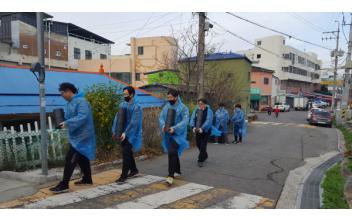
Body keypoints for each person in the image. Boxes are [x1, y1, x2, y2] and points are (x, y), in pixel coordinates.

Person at [50, 83, 96, 194]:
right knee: (82, 158)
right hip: (76, 136)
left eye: (62, 93)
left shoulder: (82, 102)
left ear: (69, 91)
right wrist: (61, 121)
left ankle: (64, 184)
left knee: (70, 158)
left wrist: (67, 122)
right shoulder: (70, 103)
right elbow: (69, 118)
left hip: (83, 136)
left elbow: (83, 117)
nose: (62, 96)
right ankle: (87, 179)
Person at [112, 86, 143, 184]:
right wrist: (115, 131)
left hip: (133, 134)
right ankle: (134, 170)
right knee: (128, 152)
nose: (124, 96)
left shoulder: (137, 107)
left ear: (132, 94)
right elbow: (117, 118)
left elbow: (134, 122)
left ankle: (123, 176)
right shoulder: (122, 104)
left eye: (126, 94)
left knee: (126, 152)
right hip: (122, 133)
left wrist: (126, 133)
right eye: (123, 94)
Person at [159, 89, 189, 185]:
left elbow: (185, 121)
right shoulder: (166, 106)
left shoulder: (183, 108)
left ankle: (170, 176)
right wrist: (163, 126)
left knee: (171, 151)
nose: (169, 99)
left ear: (176, 97)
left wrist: (175, 128)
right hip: (168, 134)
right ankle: (177, 170)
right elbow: (161, 118)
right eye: (168, 97)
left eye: (171, 97)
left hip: (179, 134)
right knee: (173, 152)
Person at [190, 98, 214, 167]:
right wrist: (193, 127)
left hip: (206, 131)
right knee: (198, 144)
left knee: (203, 145)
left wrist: (202, 128)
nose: (200, 105)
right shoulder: (196, 110)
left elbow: (208, 121)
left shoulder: (209, 111)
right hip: (197, 130)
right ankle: (205, 155)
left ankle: (200, 160)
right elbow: (192, 118)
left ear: (205, 104)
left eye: (201, 104)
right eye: (199, 104)